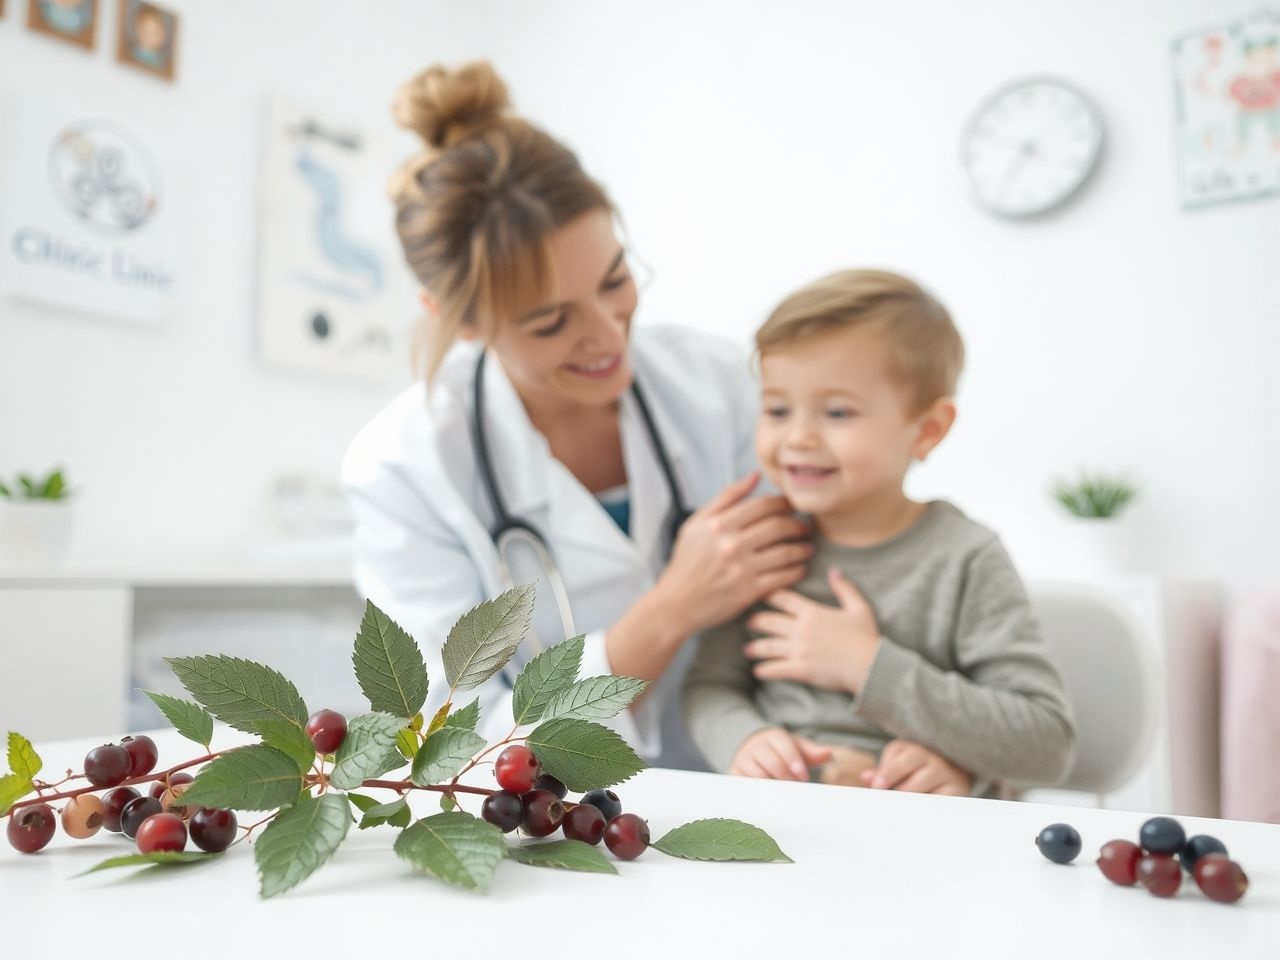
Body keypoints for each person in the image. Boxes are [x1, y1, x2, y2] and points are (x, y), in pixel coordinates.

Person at [341, 61, 812, 769]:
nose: (608, 335)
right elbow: (444, 739)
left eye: (615, 281)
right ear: (459, 321)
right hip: (553, 828)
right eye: (552, 321)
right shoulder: (404, 466)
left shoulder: (720, 385)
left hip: (763, 779)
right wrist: (669, 611)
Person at [682, 269, 1076, 796]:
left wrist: (865, 665)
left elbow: (1045, 742)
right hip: (785, 824)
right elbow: (711, 687)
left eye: (837, 411)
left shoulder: (966, 558)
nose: (797, 436)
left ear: (928, 429)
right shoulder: (761, 546)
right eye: (777, 409)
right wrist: (745, 741)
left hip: (929, 839)